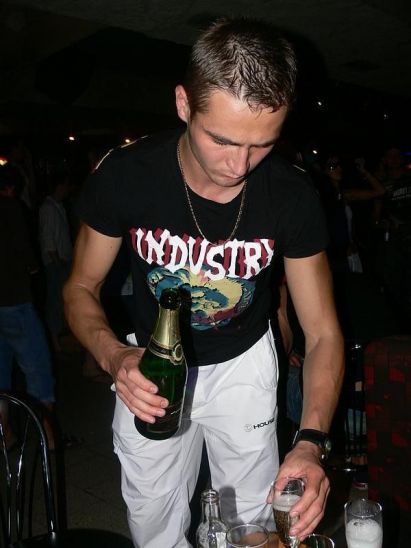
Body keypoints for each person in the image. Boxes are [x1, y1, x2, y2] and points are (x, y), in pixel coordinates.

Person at [64, 18, 344, 547]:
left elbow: (323, 331)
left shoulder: (291, 195)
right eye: (222, 140)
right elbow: (80, 287)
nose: (239, 165)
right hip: (151, 363)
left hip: (242, 365)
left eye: (262, 145)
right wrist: (113, 355)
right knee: (154, 523)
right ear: (183, 104)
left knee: (253, 523)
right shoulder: (127, 174)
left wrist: (310, 442)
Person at [0, 163, 55, 448]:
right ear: (12, 188)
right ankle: (49, 441)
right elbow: (24, 251)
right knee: (38, 370)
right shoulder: (10, 207)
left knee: (1, 373)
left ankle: (5, 434)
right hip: (14, 300)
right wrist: (33, 269)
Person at [38, 169, 73, 352]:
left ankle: (63, 341)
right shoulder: (47, 208)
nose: (68, 189)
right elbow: (48, 240)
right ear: (59, 186)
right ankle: (55, 343)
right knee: (55, 303)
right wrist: (58, 264)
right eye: (66, 185)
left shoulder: (58, 206)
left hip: (63, 261)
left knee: (63, 302)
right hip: (55, 264)